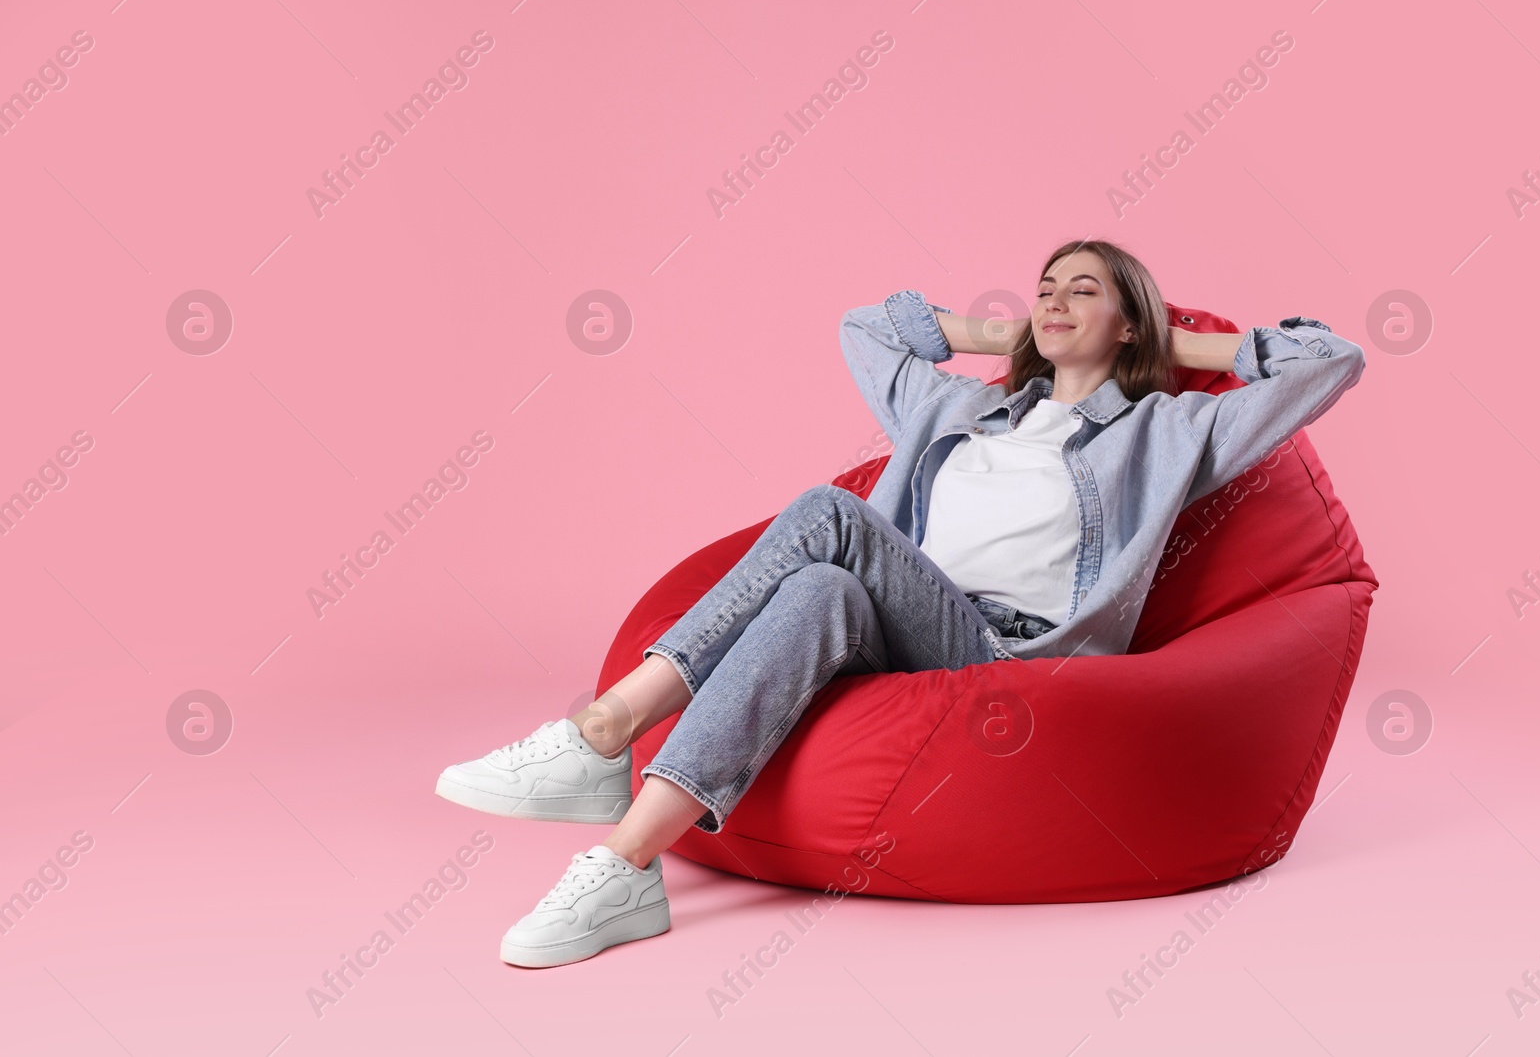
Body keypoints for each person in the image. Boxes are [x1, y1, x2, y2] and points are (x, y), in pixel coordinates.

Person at [434, 239, 1367, 968]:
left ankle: (604, 737)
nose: (1052, 299)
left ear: (1132, 324)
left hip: (1016, 655)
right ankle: (627, 866)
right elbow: (864, 327)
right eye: (1044, 285)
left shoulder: (1172, 429)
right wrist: (1009, 339)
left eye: (1083, 290)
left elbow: (1329, 362)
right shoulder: (955, 409)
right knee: (820, 585)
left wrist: (1168, 345)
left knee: (829, 517)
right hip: (900, 623)